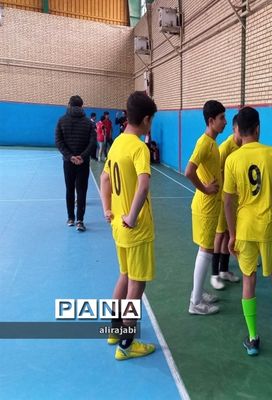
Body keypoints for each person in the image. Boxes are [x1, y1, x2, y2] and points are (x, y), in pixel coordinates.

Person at [223, 106, 272, 356]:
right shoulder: (271, 154)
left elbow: (228, 201)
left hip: (244, 228)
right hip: (268, 226)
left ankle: (253, 338)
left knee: (248, 278)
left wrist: (232, 234)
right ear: (258, 128)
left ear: (238, 131)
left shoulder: (232, 159)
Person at [99, 91, 157, 360]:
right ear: (146, 119)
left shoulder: (118, 143)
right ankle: (127, 343)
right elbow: (143, 185)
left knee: (124, 276)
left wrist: (107, 209)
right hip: (136, 228)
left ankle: (114, 330)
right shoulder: (139, 147)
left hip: (118, 227)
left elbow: (104, 179)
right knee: (137, 283)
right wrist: (133, 217)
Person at [184, 100, 226, 315]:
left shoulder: (212, 143)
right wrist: (205, 189)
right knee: (205, 250)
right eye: (221, 118)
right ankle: (196, 302)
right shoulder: (204, 143)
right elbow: (189, 171)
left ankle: (198, 293)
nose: (225, 122)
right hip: (206, 207)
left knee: (206, 250)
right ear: (211, 120)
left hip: (211, 206)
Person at [54, 95, 95, 232]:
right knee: (82, 191)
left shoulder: (61, 120)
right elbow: (92, 142)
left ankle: (70, 218)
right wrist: (82, 157)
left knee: (69, 189)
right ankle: (80, 221)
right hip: (83, 163)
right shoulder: (89, 123)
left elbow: (58, 141)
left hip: (68, 162)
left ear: (69, 105)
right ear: (82, 106)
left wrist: (70, 156)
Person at [213, 114, 243, 284]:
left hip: (235, 199)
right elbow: (216, 172)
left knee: (228, 234)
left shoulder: (243, 147)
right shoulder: (225, 147)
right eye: (240, 129)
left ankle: (224, 270)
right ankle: (214, 274)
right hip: (223, 198)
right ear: (234, 129)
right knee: (219, 234)